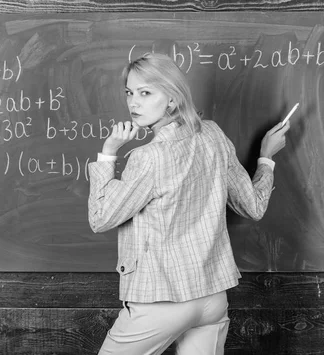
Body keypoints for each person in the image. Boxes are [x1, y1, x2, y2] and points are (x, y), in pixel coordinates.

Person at [87, 52, 290, 355]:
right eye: (130, 93)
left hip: (161, 301)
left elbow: (100, 218)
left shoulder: (148, 157)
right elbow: (253, 207)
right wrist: (266, 157)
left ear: (171, 99)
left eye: (145, 93)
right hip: (212, 297)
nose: (133, 103)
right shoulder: (213, 135)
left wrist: (108, 153)